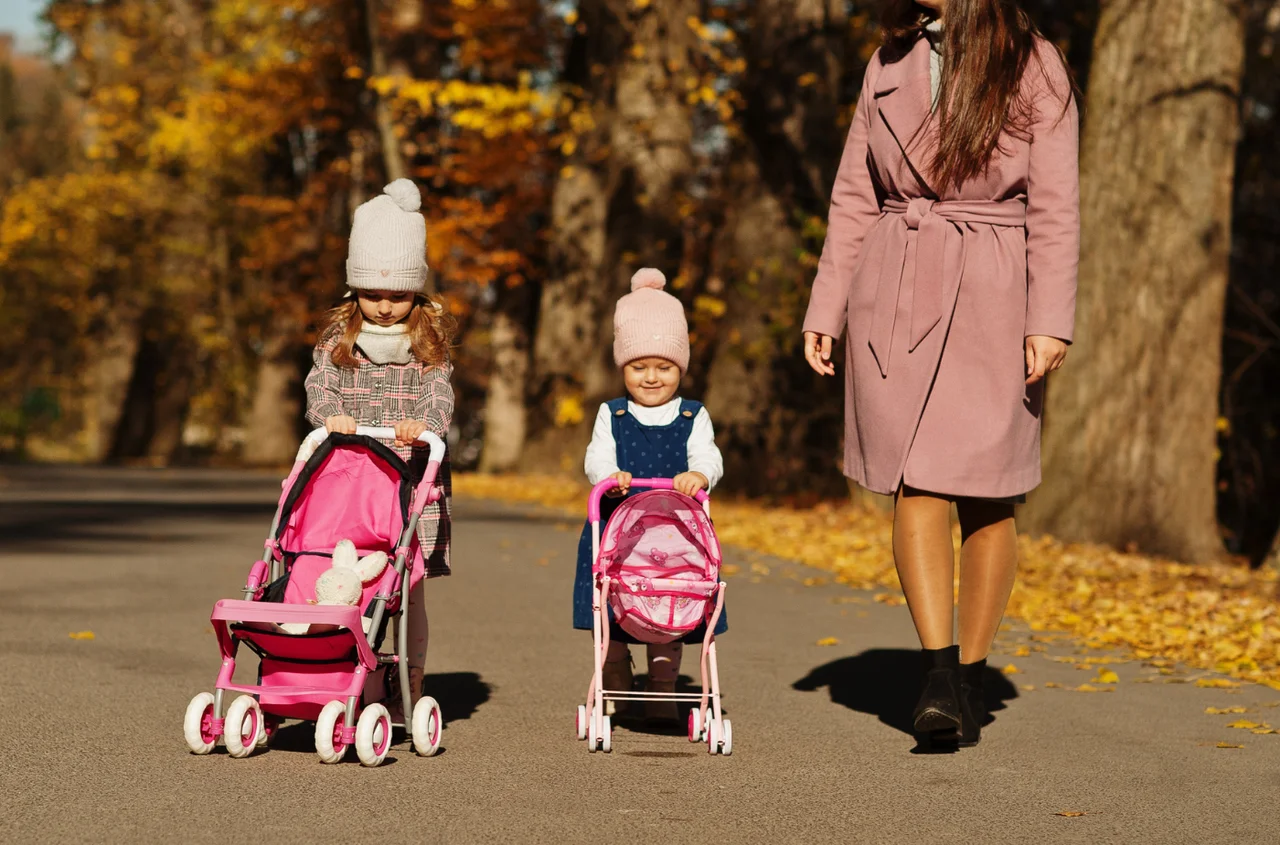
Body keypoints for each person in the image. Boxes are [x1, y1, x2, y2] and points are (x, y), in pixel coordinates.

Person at [802, 0, 1079, 747]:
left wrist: (1049, 317)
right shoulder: (888, 59)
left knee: (989, 491)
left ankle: (973, 672)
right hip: (896, 282)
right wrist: (825, 306)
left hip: (995, 284)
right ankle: (937, 671)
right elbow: (854, 196)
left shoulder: (1032, 60)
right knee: (914, 474)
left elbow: (1056, 202)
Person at [304, 178, 456, 718]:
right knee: (339, 574)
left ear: (415, 293)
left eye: (397, 296)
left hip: (410, 482)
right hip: (347, 486)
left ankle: (408, 678)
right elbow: (318, 389)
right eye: (373, 295)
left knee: (407, 591)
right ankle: (338, 663)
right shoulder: (337, 346)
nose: (386, 307)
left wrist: (424, 423)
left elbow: (441, 397)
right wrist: (330, 417)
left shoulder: (427, 350)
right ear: (354, 293)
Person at [574, 267, 726, 725]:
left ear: (680, 367)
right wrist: (609, 474)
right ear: (623, 368)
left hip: (676, 533)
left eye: (664, 367)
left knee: (671, 600)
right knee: (614, 605)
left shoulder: (692, 414)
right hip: (617, 526)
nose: (652, 378)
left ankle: (663, 683)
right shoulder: (613, 413)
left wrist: (698, 473)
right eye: (639, 368)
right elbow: (595, 457)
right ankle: (616, 674)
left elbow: (709, 455)